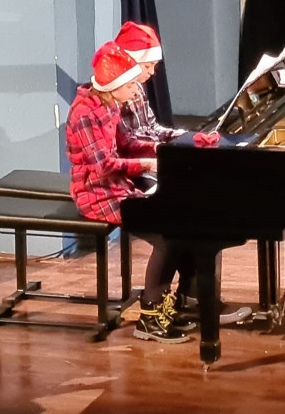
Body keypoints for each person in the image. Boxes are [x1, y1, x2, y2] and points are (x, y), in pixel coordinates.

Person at [114, 21, 252, 325]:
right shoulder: (118, 91)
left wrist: (184, 136)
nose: (152, 72)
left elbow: (151, 128)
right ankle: (170, 305)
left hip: (151, 162)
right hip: (132, 173)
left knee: (202, 203)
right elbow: (126, 144)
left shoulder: (136, 87)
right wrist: (166, 151)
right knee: (183, 214)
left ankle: (194, 296)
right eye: (148, 65)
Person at [65, 41, 193, 344]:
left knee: (178, 224)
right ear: (114, 86)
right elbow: (103, 166)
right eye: (131, 86)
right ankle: (150, 318)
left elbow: (126, 144)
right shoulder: (84, 113)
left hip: (116, 186)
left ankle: (173, 303)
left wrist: (163, 150)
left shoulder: (110, 105)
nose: (136, 91)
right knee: (165, 235)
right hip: (95, 193)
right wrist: (148, 164)